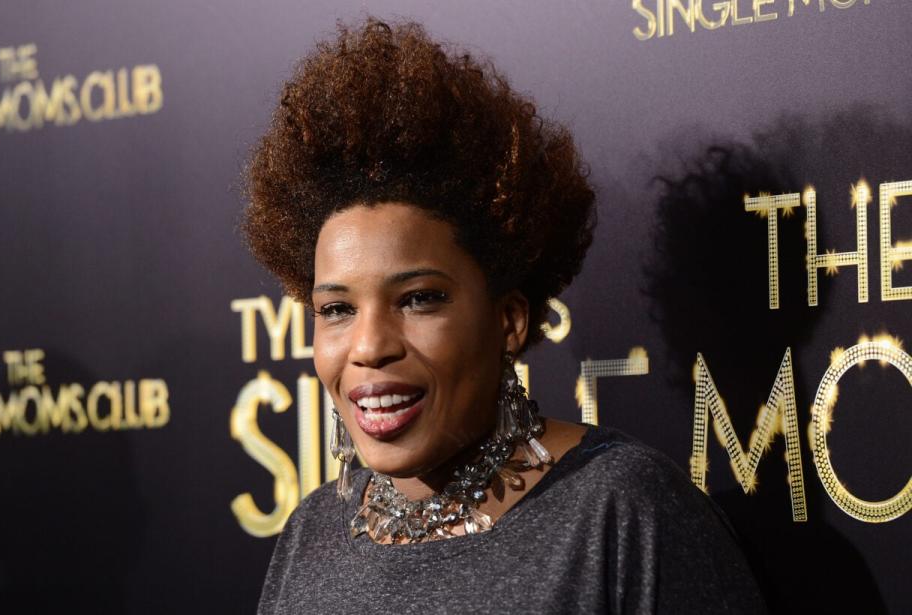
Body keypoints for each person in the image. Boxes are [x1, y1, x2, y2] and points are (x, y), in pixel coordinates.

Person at [245, 17, 766, 614]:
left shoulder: (620, 514)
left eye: (418, 298)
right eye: (336, 309)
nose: (368, 345)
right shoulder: (314, 535)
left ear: (509, 320)